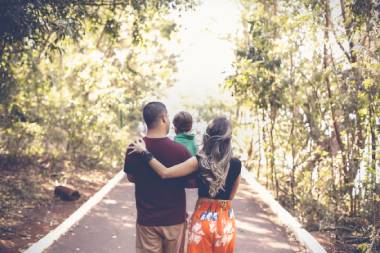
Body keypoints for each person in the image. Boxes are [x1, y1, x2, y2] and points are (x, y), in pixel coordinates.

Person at [129, 116, 241, 253]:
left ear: (208, 136)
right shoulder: (236, 164)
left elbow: (165, 173)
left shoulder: (200, 161)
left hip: (203, 222)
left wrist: (144, 152)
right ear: (229, 138)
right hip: (226, 222)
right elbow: (231, 196)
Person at [124, 101, 194, 253]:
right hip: (174, 220)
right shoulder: (180, 151)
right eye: (168, 117)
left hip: (147, 221)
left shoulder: (134, 148)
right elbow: (190, 182)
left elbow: (131, 177)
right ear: (163, 118)